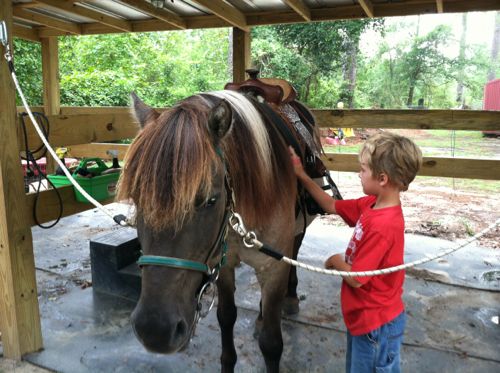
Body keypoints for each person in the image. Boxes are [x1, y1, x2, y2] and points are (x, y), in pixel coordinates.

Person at [289, 132, 422, 373]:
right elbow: (331, 205)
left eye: (362, 169)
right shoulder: (371, 203)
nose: (358, 174)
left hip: (376, 326)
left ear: (382, 178)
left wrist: (336, 260)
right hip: (365, 320)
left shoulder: (383, 225)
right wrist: (301, 174)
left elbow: (357, 279)